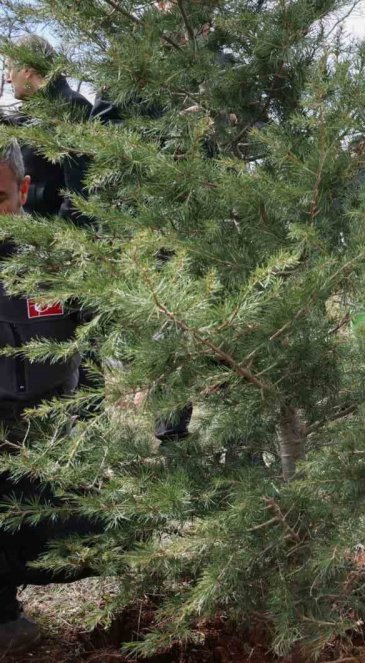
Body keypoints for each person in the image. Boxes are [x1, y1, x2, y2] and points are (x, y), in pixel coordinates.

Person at [0, 140, 99, 655]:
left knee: (104, 533)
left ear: (22, 189)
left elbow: (98, 340)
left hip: (43, 440)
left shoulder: (56, 262)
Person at [3, 35, 92, 221]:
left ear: (27, 70)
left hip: (53, 241)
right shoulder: (37, 110)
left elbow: (80, 188)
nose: (8, 79)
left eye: (10, 69)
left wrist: (58, 241)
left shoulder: (70, 107)